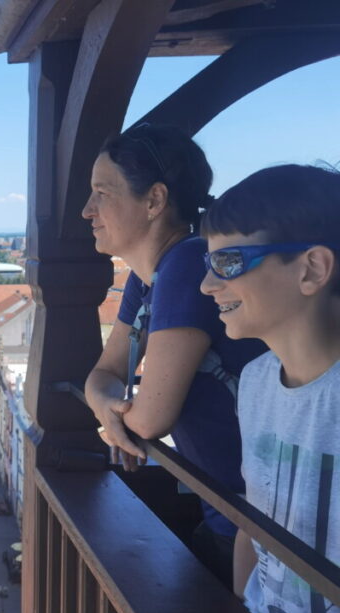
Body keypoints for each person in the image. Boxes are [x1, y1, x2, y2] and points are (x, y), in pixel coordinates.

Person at [82, 123, 265, 585]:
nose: (88, 211)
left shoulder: (186, 264)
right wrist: (111, 411)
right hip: (236, 516)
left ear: (154, 200)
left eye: (102, 194)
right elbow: (102, 375)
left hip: (254, 532)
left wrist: (115, 415)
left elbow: (151, 419)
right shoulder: (148, 279)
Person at [199, 164, 340, 613]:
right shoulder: (257, 382)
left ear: (312, 269)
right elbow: (253, 523)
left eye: (228, 262)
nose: (207, 284)